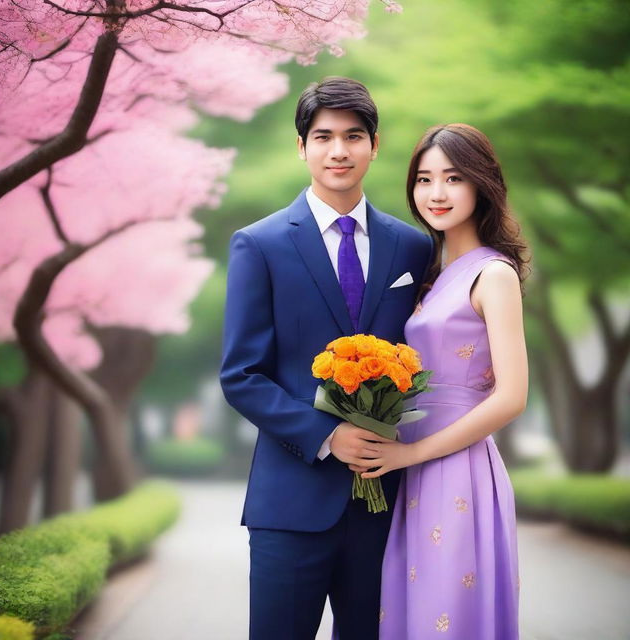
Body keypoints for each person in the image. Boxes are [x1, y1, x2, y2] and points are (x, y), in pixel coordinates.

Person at [219, 77, 432, 640]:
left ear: (375, 145)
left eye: (353, 136)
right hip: (290, 501)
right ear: (302, 146)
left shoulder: (413, 246)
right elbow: (241, 375)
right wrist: (327, 435)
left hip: (385, 504)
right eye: (323, 137)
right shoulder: (259, 244)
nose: (339, 150)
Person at [350, 123, 528, 639]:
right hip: (412, 471)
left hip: (458, 469)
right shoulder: (432, 271)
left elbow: (512, 397)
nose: (436, 193)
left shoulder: (493, 274)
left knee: (444, 616)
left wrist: (408, 454)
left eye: (453, 178)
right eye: (424, 180)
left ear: (481, 184)